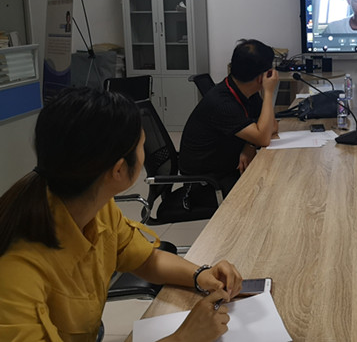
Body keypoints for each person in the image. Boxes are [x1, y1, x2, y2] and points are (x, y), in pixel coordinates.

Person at [0, 88, 243, 341]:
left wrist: (201, 275)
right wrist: (183, 338)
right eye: (141, 146)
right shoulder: (15, 277)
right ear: (118, 170)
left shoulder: (96, 207)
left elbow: (144, 259)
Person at [179, 39, 280, 198]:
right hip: (207, 183)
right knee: (274, 190)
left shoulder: (244, 90)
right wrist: (268, 92)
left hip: (227, 168)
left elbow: (272, 127)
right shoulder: (222, 103)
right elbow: (264, 138)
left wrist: (250, 143)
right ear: (262, 77)